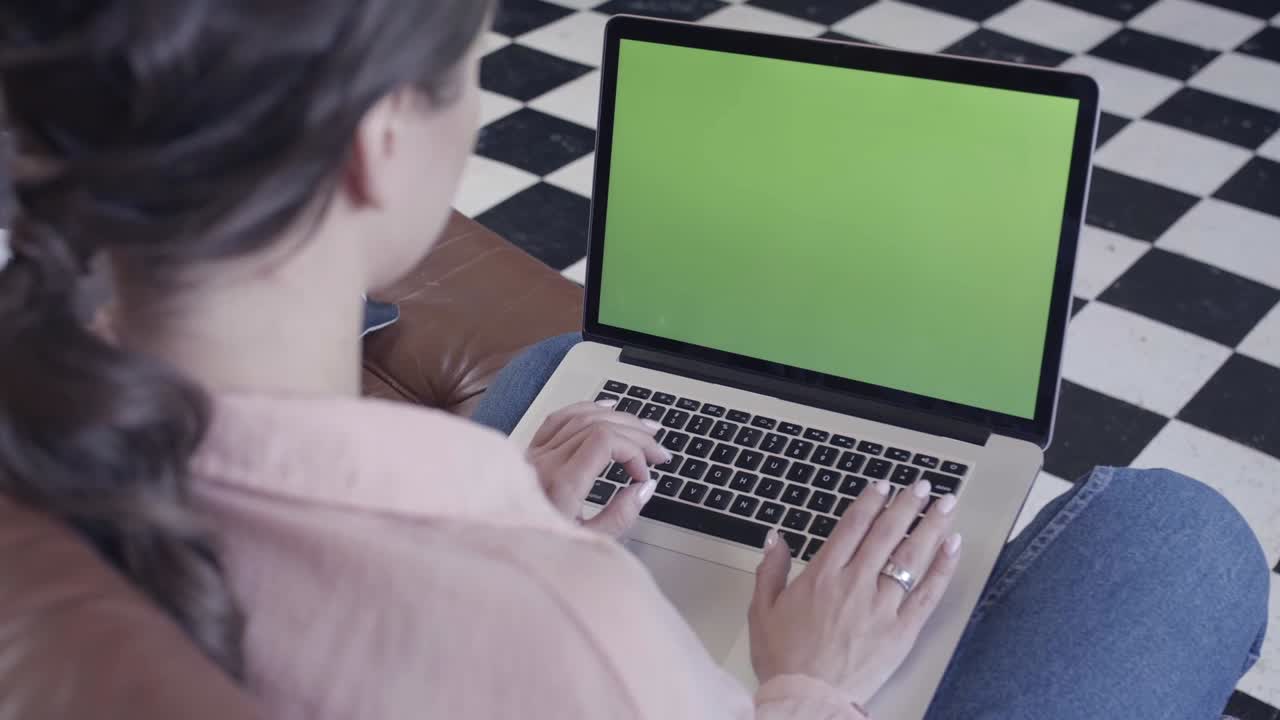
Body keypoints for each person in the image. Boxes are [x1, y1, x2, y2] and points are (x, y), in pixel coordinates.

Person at [0, 2, 1267, 718]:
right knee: (1176, 535)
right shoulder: (571, 630)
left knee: (570, 362)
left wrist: (512, 508)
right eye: (470, 67)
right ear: (377, 142)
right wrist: (809, 682)